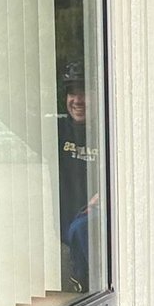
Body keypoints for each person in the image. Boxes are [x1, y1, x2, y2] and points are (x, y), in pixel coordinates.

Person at [56, 61, 98, 291]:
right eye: (72, 92)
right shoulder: (58, 131)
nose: (77, 100)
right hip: (67, 241)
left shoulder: (110, 130)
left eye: (84, 93)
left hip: (99, 241)